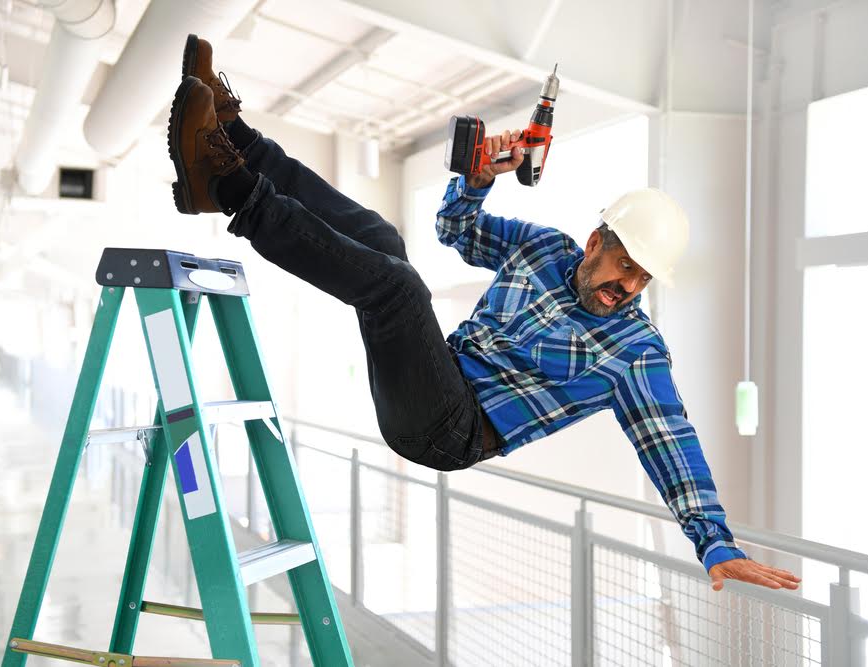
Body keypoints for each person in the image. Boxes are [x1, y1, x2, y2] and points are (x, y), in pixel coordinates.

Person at [167, 35, 801, 593]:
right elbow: (454, 228)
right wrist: (476, 180)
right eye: (623, 264)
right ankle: (237, 143)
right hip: (438, 371)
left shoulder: (635, 352)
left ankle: (227, 187)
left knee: (398, 290)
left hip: (451, 431)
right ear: (595, 241)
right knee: (387, 241)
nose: (628, 286)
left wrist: (715, 543)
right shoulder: (542, 247)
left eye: (641, 278)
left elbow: (673, 445)